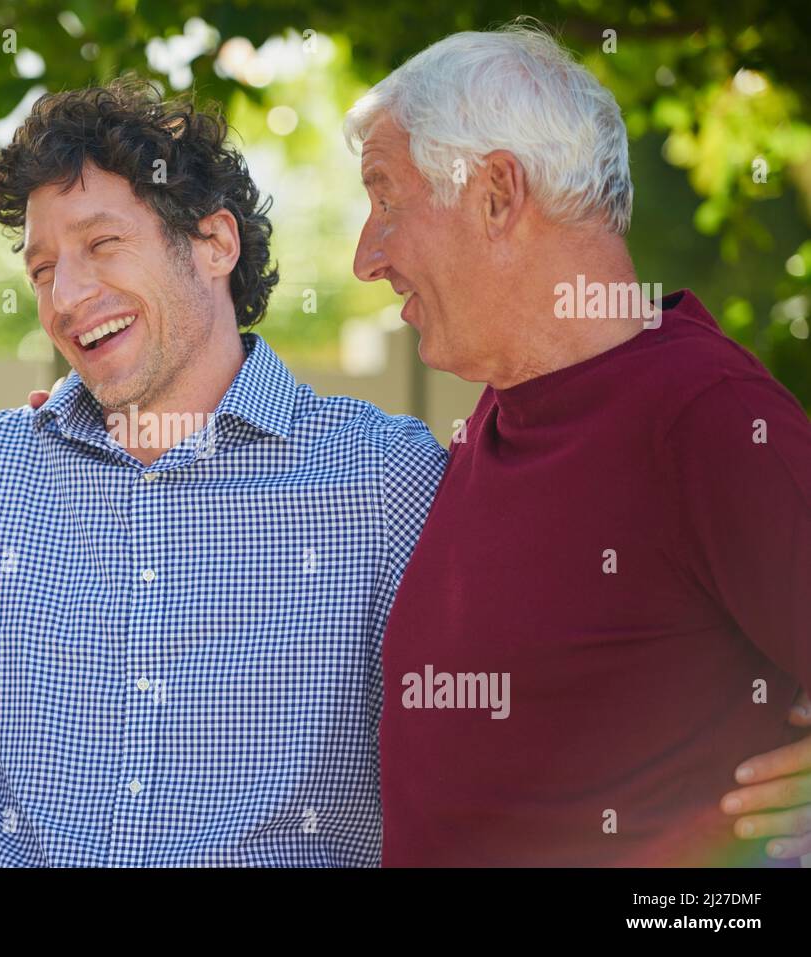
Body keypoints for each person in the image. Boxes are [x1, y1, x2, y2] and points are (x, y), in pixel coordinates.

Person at [0, 79, 448, 866]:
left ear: (215, 243)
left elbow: (465, 776)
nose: (67, 296)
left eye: (102, 244)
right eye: (42, 270)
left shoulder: (387, 478)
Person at [343, 23, 811, 865]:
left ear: (496, 194)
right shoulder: (498, 414)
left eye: (386, 198)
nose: (365, 257)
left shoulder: (707, 416)